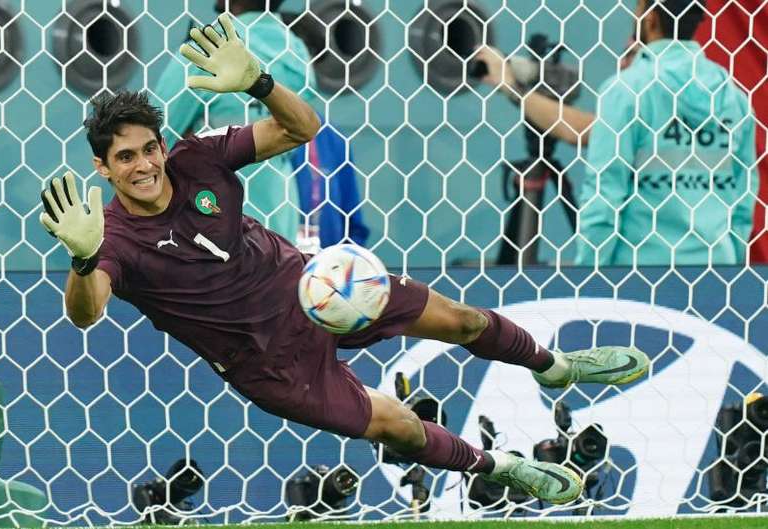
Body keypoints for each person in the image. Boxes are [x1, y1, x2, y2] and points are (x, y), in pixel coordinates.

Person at [39, 14, 651, 504]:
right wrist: (85, 259)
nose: (144, 165)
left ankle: (554, 365)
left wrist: (259, 83)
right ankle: (502, 467)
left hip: (314, 287)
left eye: (149, 148)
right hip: (265, 363)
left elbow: (302, 130)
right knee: (399, 428)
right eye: (125, 158)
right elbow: (87, 315)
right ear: (102, 166)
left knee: (461, 320)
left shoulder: (197, 156)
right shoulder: (109, 235)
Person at [475, 0, 757, 267]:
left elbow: (604, 195)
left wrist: (591, 279)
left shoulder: (628, 91)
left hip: (639, 275)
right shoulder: (734, 97)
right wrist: (729, 265)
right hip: (715, 272)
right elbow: (744, 201)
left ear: (650, 16)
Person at [151, 0, 314, 243]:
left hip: (212, 226)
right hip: (279, 220)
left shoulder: (208, 50)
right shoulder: (298, 54)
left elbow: (151, 134)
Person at [290, 116, 369, 253]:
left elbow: (352, 225)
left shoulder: (328, 134)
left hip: (324, 260)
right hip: (265, 261)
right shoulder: (248, 129)